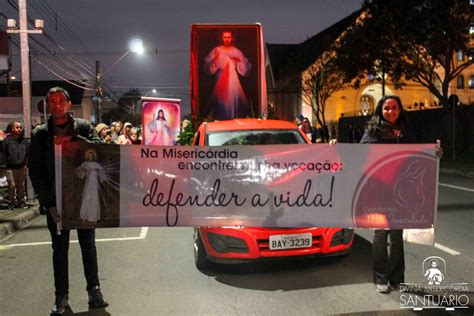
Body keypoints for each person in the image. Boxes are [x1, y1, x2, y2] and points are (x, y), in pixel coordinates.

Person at [29, 87, 109, 314]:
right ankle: (61, 296)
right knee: (60, 250)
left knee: (88, 247)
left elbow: (101, 151)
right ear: (47, 105)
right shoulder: (40, 134)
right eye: (51, 101)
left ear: (67, 103)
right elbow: (36, 171)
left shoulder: (83, 127)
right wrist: (48, 204)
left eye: (59, 101)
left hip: (82, 199)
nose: (55, 105)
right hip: (57, 203)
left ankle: (94, 290)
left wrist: (75, 140)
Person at [360, 95, 414, 294]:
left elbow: (418, 152)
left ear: (400, 110)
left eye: (394, 108)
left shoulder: (407, 130)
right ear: (380, 110)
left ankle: (397, 279)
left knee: (397, 235)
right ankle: (381, 279)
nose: (390, 112)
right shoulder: (372, 130)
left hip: (400, 190)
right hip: (379, 188)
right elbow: (361, 152)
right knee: (381, 234)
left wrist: (435, 153)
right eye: (386, 108)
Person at [204, 30, 251, 120]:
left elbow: (244, 67)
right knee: (221, 99)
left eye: (229, 37)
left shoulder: (236, 51)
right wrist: (215, 60)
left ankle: (233, 118)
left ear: (232, 38)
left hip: (233, 79)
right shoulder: (217, 50)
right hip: (220, 77)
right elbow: (208, 65)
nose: (227, 39)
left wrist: (238, 62)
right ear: (221, 38)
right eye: (225, 37)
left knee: (233, 98)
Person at [3, 121, 29, 209]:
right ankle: (12, 202)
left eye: (20, 127)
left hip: (22, 167)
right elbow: (4, 153)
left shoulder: (24, 141)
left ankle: (21, 202)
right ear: (12, 129)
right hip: (10, 167)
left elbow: (28, 153)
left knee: (21, 185)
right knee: (12, 185)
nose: (19, 129)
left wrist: (26, 163)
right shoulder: (7, 141)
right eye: (17, 127)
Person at [76, 149, 107, 222]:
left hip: (95, 183)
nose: (91, 157)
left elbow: (102, 172)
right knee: (87, 197)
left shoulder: (96, 164)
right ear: (87, 156)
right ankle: (85, 215)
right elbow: (79, 171)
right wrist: (85, 172)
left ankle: (94, 216)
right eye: (89, 156)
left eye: (92, 156)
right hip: (88, 183)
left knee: (94, 198)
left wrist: (101, 179)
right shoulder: (85, 164)